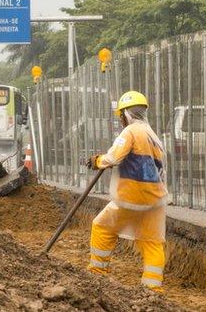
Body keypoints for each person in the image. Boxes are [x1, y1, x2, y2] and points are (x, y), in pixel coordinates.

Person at [86, 91, 167, 292]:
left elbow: (114, 157)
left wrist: (97, 161)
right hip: (155, 200)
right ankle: (153, 288)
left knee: (102, 226)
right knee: (152, 242)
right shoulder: (154, 137)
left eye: (121, 116)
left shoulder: (130, 132)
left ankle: (97, 273)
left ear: (125, 114)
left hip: (132, 196)